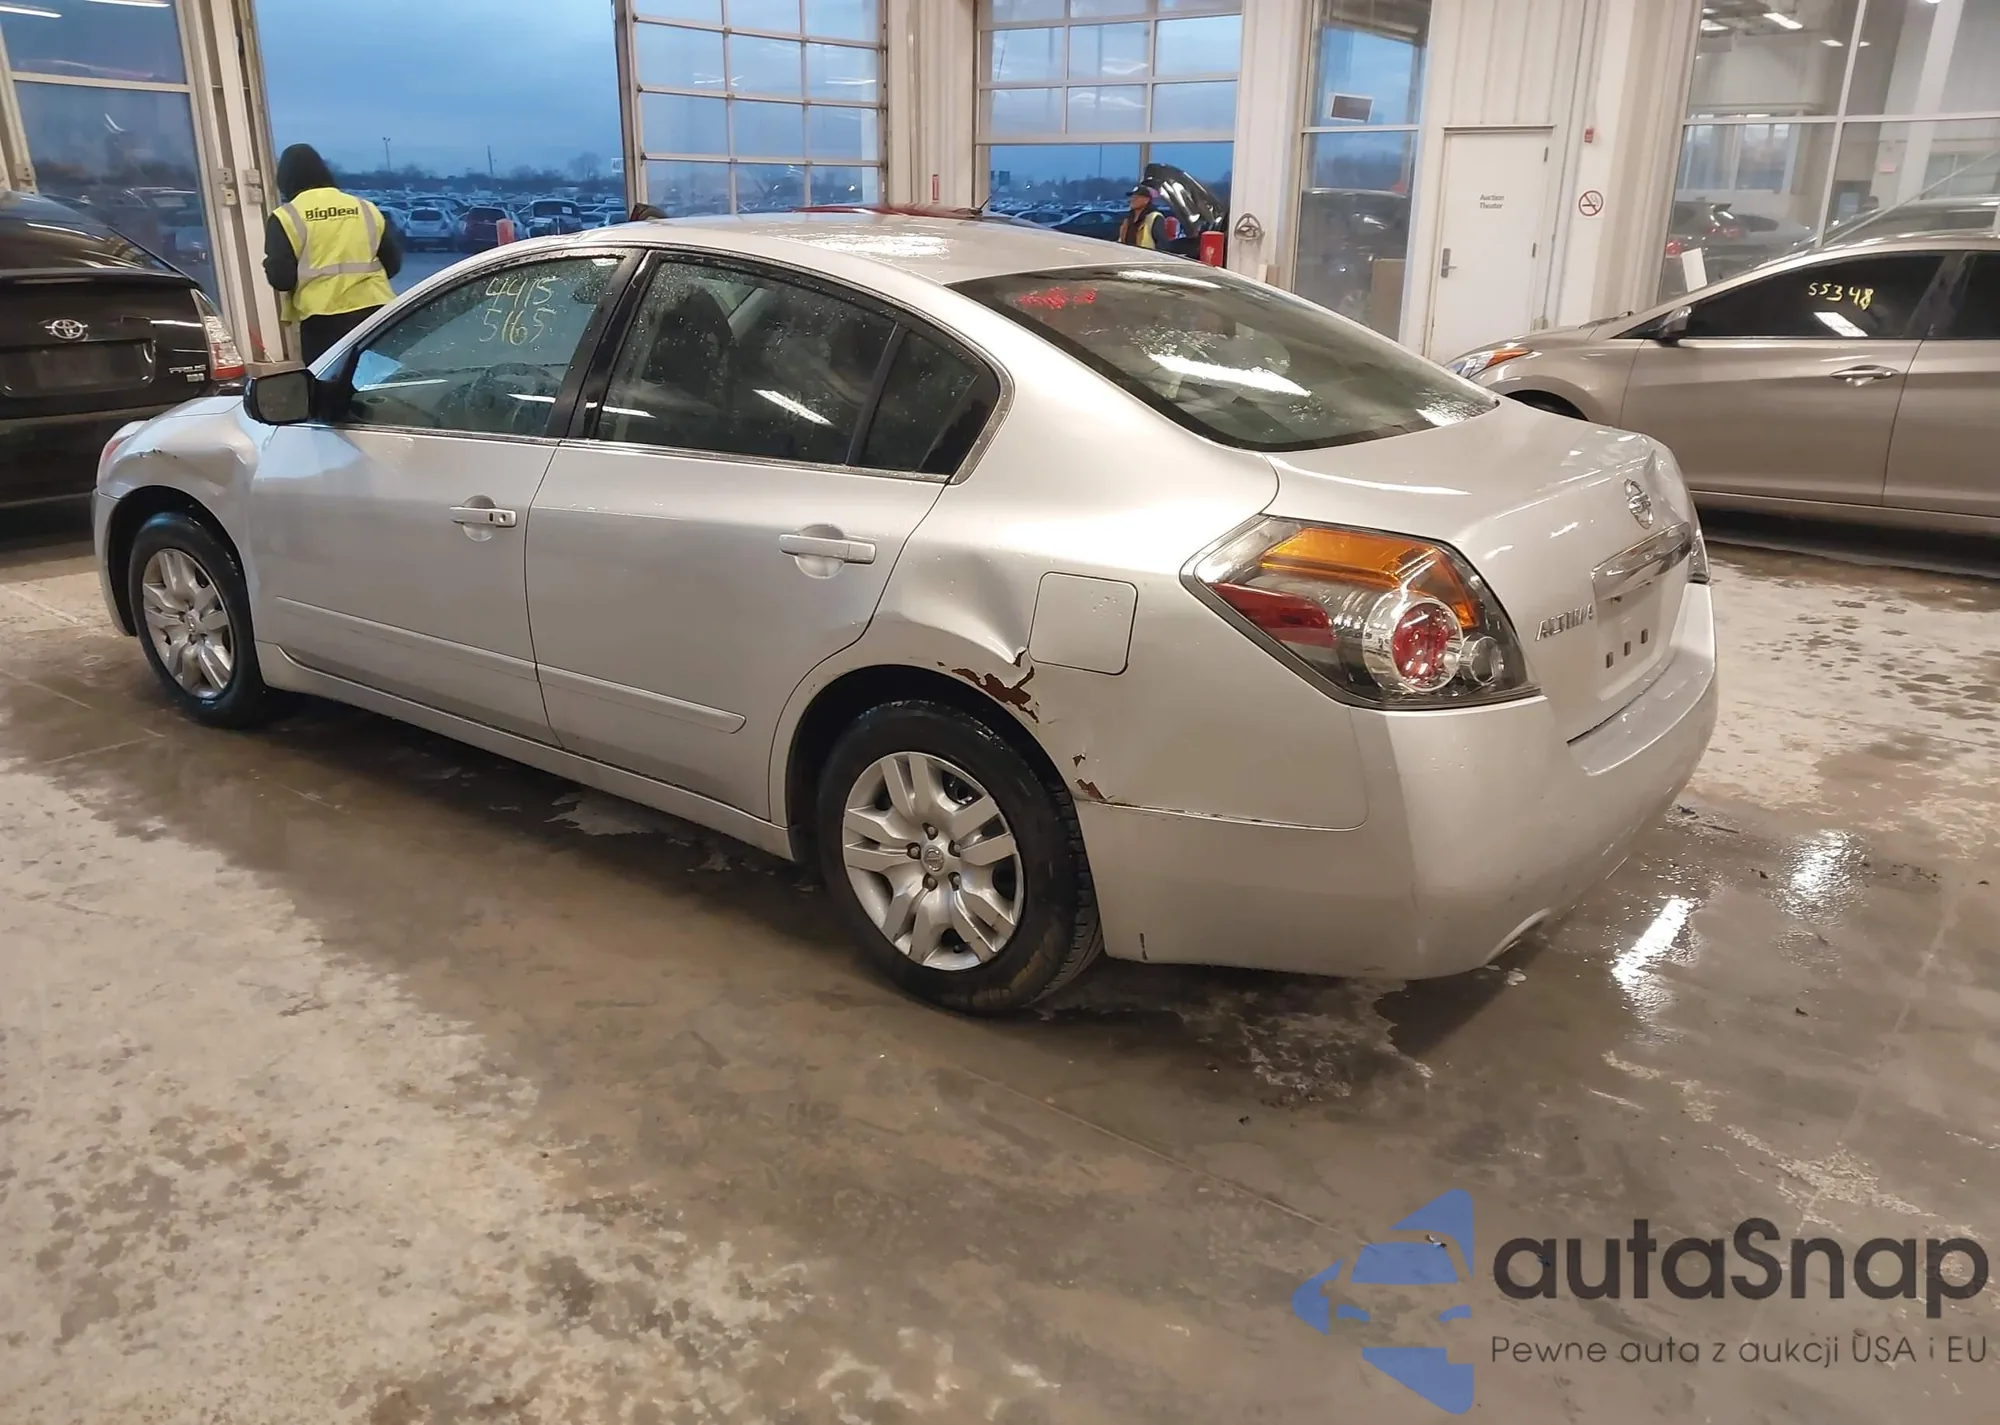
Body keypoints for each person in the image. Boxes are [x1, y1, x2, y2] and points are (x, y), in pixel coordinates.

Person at [264, 144, 402, 363]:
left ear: (284, 179)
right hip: (375, 311)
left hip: (321, 321)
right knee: (377, 375)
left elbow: (281, 279)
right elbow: (392, 264)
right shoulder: (365, 208)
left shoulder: (286, 216)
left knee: (328, 380)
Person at [1116, 185, 1172, 249]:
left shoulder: (1154, 217)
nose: (1132, 200)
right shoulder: (1127, 220)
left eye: (1136, 198)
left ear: (1146, 200)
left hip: (1146, 255)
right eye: (1132, 197)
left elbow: (1162, 244)